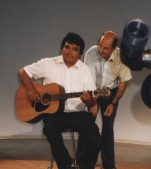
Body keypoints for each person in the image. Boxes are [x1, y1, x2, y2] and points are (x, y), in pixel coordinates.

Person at [17, 32, 101, 169]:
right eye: (67, 47)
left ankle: (82, 165)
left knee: (96, 140)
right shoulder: (48, 63)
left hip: (78, 114)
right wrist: (31, 90)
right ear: (61, 49)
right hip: (54, 114)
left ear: (80, 54)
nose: (69, 51)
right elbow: (23, 72)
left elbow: (92, 101)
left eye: (75, 49)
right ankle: (66, 165)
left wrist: (89, 102)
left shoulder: (85, 70)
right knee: (50, 130)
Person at [84, 31, 132, 169]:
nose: (101, 50)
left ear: (113, 48)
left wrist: (113, 103)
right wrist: (92, 103)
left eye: (105, 48)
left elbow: (123, 83)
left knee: (108, 128)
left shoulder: (121, 57)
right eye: (100, 45)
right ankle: (85, 164)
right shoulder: (91, 53)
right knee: (87, 125)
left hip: (111, 92)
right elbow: (87, 80)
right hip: (93, 90)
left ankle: (109, 165)